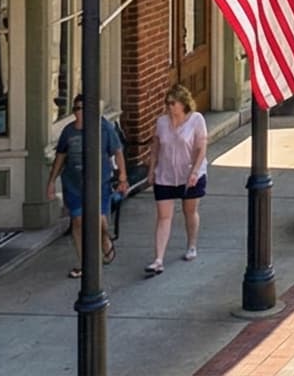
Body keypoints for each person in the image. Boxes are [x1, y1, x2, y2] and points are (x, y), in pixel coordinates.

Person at [45, 103, 129, 277]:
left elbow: (117, 151)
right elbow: (60, 157)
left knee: (99, 220)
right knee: (77, 221)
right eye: (75, 108)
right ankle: (84, 264)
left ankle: (105, 240)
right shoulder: (68, 131)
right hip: (73, 184)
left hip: (100, 182)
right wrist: (52, 181)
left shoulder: (104, 128)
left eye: (83, 107)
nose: (79, 111)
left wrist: (122, 176)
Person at [144, 85, 207, 274]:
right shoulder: (162, 122)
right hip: (166, 174)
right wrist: (151, 169)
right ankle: (158, 259)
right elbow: (156, 147)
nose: (169, 107)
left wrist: (195, 172)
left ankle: (191, 245)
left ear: (183, 104)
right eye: (167, 103)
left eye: (173, 103)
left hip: (189, 174)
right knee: (163, 217)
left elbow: (201, 148)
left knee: (189, 211)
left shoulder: (196, 120)